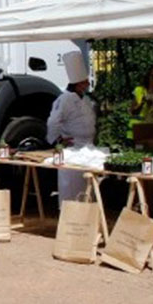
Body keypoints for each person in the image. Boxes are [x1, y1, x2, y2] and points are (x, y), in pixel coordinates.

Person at [47, 50, 96, 206]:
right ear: (78, 83)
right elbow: (53, 122)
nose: (87, 84)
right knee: (72, 189)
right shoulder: (64, 99)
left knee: (87, 189)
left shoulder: (86, 99)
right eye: (85, 81)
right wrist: (58, 140)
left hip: (88, 148)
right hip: (72, 150)